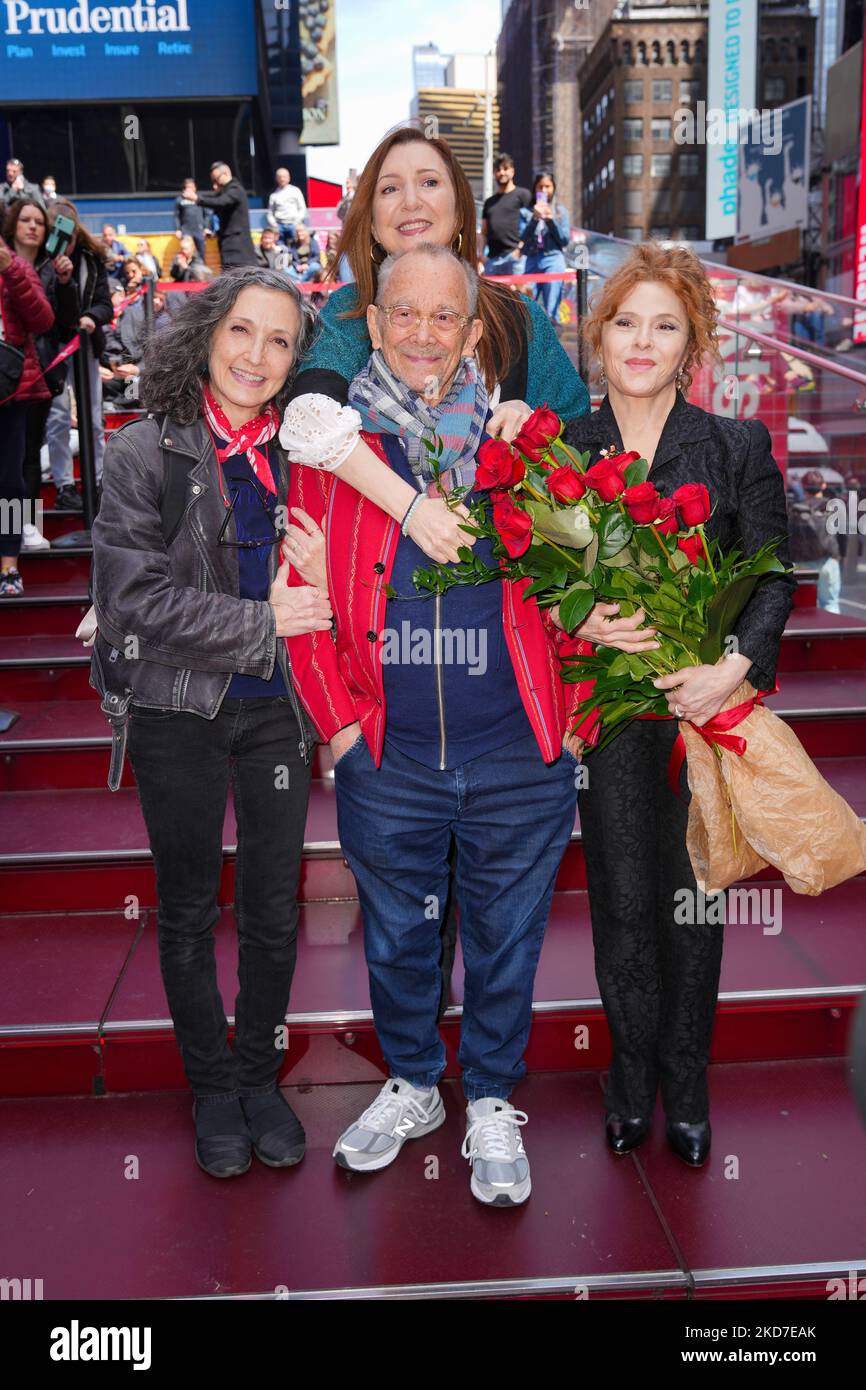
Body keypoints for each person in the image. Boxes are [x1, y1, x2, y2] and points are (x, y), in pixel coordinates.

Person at [281, 243, 587, 1205]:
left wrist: (569, 730)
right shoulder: (329, 447)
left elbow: (582, 590)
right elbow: (302, 602)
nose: (422, 334)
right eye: (402, 314)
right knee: (397, 941)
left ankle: (491, 1096)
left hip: (519, 753)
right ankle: (414, 1081)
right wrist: (338, 733)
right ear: (371, 323)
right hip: (390, 754)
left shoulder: (521, 448)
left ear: (470, 332)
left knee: (508, 940)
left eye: (443, 317)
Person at [89, 266, 332, 1178]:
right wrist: (266, 621)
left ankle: (259, 1076)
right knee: (189, 912)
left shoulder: (309, 456)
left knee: (272, 913)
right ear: (206, 334)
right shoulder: (142, 450)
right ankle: (212, 1087)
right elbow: (131, 600)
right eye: (242, 332)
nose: (257, 355)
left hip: (275, 714)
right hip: (175, 711)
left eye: (279, 340)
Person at [562, 242, 796, 1167]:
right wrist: (582, 618)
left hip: (708, 713)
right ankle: (627, 1084)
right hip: (613, 718)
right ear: (601, 336)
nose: (642, 341)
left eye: (665, 325)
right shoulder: (565, 451)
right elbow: (530, 587)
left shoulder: (736, 445)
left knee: (697, 908)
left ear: (692, 342)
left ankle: (687, 1086)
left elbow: (775, 575)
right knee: (622, 906)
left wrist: (732, 667)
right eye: (626, 322)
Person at [5, 197, 79, 552]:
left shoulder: (54, 267)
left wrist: (66, 283)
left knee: (29, 454)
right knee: (11, 463)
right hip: (8, 373)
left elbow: (65, 324)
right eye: (25, 220)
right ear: (12, 225)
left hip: (41, 373)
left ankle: (25, 526)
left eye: (39, 222)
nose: (33, 227)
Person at [43, 200, 113, 512]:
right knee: (57, 418)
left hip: (84, 345)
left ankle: (96, 479)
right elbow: (51, 312)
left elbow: (104, 304)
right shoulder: (40, 262)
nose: (64, 245)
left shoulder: (91, 259)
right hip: (52, 349)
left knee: (94, 418)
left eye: (69, 237)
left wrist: (92, 318)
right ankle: (63, 485)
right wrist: (62, 282)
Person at [0, 228, 54, 594]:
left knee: (10, 481)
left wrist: (11, 270)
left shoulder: (14, 265)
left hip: (9, 387)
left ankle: (9, 564)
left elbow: (42, 320)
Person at [98, 281, 176, 404]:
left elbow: (149, 351)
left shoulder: (138, 317)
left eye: (111, 296)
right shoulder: (96, 322)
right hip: (106, 380)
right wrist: (98, 369)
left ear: (122, 295)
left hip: (133, 375)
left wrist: (136, 369)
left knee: (133, 392)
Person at [520, 170, 571, 322]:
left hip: (553, 258)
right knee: (527, 307)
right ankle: (532, 343)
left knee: (552, 309)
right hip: (532, 258)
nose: (543, 190)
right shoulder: (525, 212)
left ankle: (552, 342)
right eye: (540, 187)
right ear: (534, 189)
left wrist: (550, 220)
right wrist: (535, 218)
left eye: (547, 186)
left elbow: (564, 240)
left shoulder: (561, 212)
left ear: (553, 188)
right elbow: (522, 237)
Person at [788, 469, 841, 613]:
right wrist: (838, 556)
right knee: (830, 602)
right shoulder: (832, 507)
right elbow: (842, 535)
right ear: (823, 485)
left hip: (800, 565)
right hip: (827, 561)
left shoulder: (795, 509)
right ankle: (833, 633)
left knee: (805, 606)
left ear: (803, 487)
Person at [196, 163, 257, 269]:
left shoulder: (235, 189)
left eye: (216, 179)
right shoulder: (225, 191)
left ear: (226, 174)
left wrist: (197, 199)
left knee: (240, 276)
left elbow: (220, 202)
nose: (214, 184)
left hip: (238, 247)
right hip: (228, 244)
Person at [480, 153, 531, 278]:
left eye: (505, 169)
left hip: (515, 258)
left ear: (512, 171)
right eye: (498, 170)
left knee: (519, 297)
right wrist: (481, 256)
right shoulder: (489, 202)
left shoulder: (523, 195)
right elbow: (483, 232)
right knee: (492, 298)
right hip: (492, 261)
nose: (502, 172)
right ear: (494, 173)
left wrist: (520, 250)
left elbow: (533, 225)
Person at [266, 167, 308, 248]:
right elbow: (270, 213)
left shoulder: (295, 191)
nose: (282, 179)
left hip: (294, 224)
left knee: (296, 247)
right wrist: (274, 225)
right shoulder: (274, 195)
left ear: (288, 178)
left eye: (284, 176)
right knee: (280, 248)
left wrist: (296, 223)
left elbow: (302, 208)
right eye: (280, 177)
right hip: (279, 225)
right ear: (276, 179)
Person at [174, 178, 211, 262]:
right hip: (186, 231)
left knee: (201, 254)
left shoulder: (200, 199)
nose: (189, 189)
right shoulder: (180, 200)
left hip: (199, 231)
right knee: (186, 254)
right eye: (188, 187)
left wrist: (206, 227)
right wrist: (178, 229)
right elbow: (176, 216)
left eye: (191, 187)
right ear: (184, 188)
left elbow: (207, 215)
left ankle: (201, 272)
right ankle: (187, 272)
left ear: (195, 188)